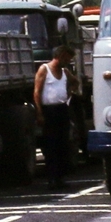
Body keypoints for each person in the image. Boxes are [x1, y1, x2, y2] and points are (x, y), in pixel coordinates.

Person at [34, 43, 77, 190]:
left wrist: (70, 93)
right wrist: (39, 113)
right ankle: (52, 178)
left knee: (63, 145)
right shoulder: (44, 69)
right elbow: (37, 92)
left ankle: (60, 177)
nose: (69, 62)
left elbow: (75, 82)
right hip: (49, 111)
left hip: (62, 110)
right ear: (60, 56)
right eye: (67, 58)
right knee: (50, 146)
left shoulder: (65, 72)